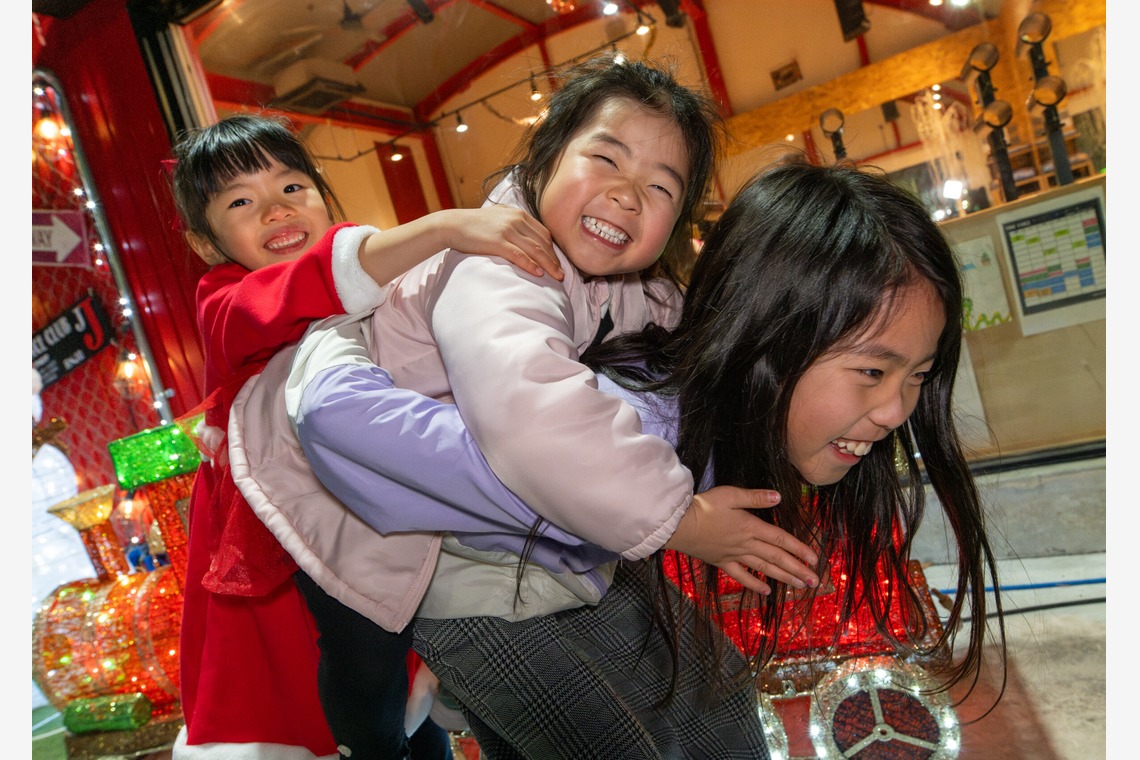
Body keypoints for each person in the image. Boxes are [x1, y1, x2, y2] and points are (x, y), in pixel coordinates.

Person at [250, 155, 1009, 757]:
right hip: (478, 590)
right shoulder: (626, 414)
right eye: (872, 372)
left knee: (720, 711)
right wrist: (324, 340)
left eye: (916, 375)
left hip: (580, 567)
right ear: (770, 338)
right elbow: (342, 419)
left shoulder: (697, 393)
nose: (895, 411)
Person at [229, 54, 821, 757]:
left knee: (707, 703)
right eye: (605, 159)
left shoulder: (634, 289)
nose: (628, 195)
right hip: (437, 561)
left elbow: (692, 377)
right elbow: (532, 416)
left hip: (538, 551)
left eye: (661, 188)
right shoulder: (503, 263)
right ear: (546, 157)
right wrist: (679, 519)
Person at [168, 113, 561, 760]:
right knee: (362, 647)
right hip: (304, 514)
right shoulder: (225, 301)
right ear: (207, 244)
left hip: (389, 490)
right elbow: (297, 290)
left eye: (292, 186)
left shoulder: (374, 274)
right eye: (241, 201)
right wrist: (443, 226)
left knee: (432, 652)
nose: (275, 209)